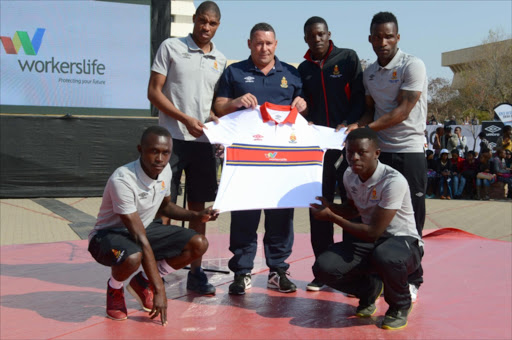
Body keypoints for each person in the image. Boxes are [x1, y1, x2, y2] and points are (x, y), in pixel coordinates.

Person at [88, 126, 219, 325]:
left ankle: (141, 282)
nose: (160, 158)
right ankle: (115, 287)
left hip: (143, 228)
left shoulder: (164, 170)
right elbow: (140, 238)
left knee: (198, 243)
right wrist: (159, 289)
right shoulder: (122, 179)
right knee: (133, 256)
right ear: (140, 149)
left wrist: (197, 214)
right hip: (108, 235)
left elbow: (165, 206)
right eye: (154, 151)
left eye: (165, 152)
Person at [213, 23, 307, 295]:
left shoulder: (291, 73)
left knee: (281, 216)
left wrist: (302, 104)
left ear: (276, 44)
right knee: (245, 215)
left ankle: (278, 270)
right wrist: (236, 102)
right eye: (258, 43)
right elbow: (218, 106)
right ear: (249, 44)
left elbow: (302, 106)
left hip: (281, 162)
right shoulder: (235, 71)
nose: (263, 48)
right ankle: (242, 273)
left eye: (268, 43)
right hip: (246, 160)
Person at [147, 1, 226, 295]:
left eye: (212, 23)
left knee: (199, 210)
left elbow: (213, 104)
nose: (206, 28)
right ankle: (155, 271)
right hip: (170, 140)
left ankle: (196, 270)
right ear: (194, 19)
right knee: (162, 205)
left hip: (203, 143)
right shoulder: (171, 47)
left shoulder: (220, 58)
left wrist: (218, 123)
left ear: (218, 26)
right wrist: (184, 119)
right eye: (202, 21)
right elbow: (153, 92)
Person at [346, 11, 426, 297]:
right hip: (379, 152)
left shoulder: (412, 65)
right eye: (378, 37)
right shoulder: (369, 72)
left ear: (398, 37)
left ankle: (413, 279)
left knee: (411, 219)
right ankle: (379, 275)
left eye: (389, 36)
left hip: (409, 149)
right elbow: (370, 110)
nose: (383, 42)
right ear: (370, 39)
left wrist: (364, 128)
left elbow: (402, 112)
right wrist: (358, 126)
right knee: (376, 214)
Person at [310, 128, 422, 330]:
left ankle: (399, 306)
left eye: (361, 152)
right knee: (323, 268)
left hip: (402, 242)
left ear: (376, 153)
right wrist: (330, 206)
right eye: (349, 152)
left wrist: (331, 217)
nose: (354, 158)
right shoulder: (349, 175)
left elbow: (372, 232)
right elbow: (353, 209)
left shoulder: (392, 181)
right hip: (372, 242)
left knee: (386, 256)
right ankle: (369, 290)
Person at [298, 16, 364, 291]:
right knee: (319, 206)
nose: (317, 39)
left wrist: (350, 123)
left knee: (353, 206)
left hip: (348, 144)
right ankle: (322, 270)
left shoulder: (348, 58)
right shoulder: (303, 68)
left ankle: (356, 270)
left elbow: (360, 96)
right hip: (319, 149)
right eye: (311, 36)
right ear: (305, 39)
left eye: (321, 34)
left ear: (329, 34)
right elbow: (305, 104)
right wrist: (308, 120)